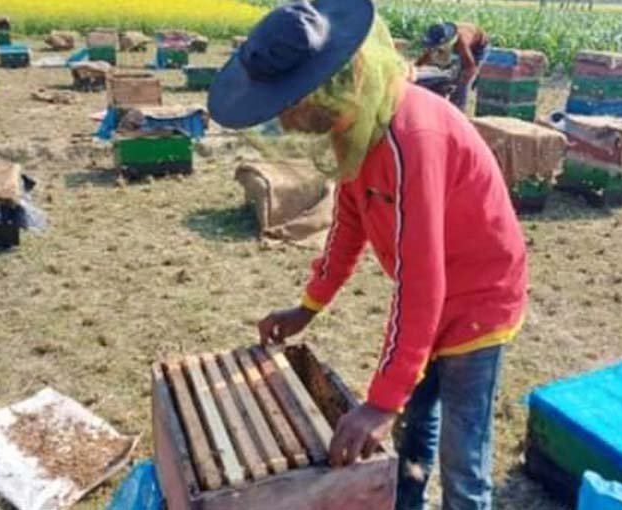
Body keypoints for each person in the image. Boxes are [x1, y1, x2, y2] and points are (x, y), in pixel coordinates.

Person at [207, 1, 527, 509]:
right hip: (432, 299)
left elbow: (423, 282)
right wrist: (307, 307)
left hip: (479, 301)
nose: (288, 121)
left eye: (291, 104)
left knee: (463, 463)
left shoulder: (410, 141)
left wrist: (381, 401)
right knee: (415, 429)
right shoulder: (358, 128)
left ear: (329, 85)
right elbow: (348, 224)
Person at [415, 21, 490, 112]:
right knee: (449, 76)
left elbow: (470, 67)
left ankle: (458, 111)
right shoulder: (439, 35)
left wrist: (461, 85)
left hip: (479, 47)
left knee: (462, 86)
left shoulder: (461, 44)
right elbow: (428, 55)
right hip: (464, 43)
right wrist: (415, 68)